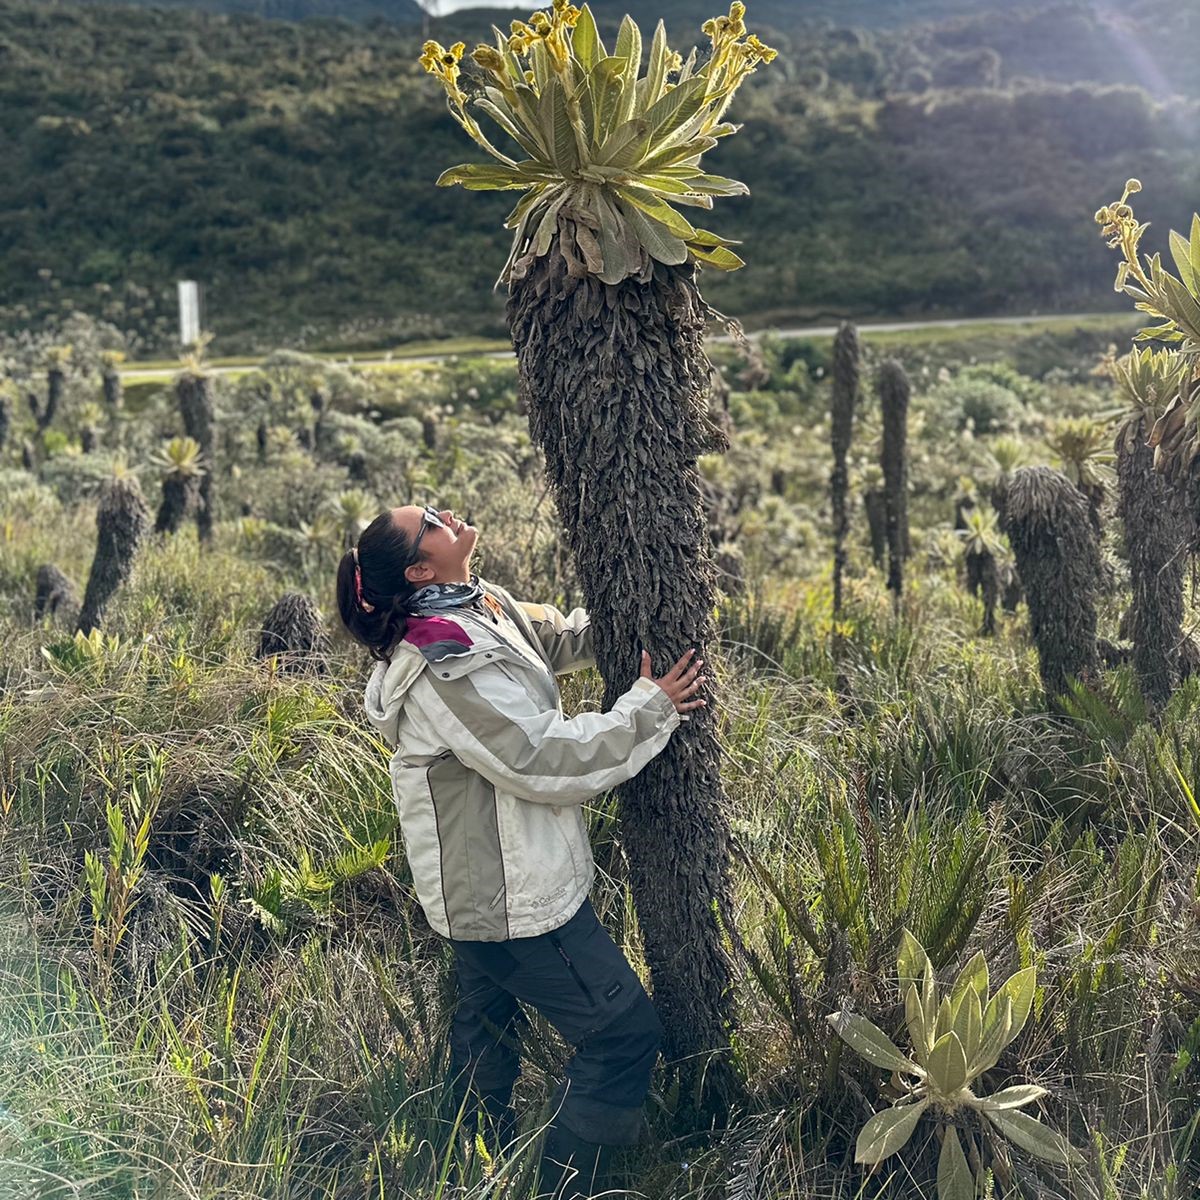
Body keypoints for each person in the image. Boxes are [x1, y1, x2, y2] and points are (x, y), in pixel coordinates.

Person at [336, 503, 708, 1200]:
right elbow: (537, 758)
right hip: (511, 902)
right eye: (431, 521)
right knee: (623, 1036)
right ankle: (574, 1189)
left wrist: (647, 610)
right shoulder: (442, 662)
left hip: (483, 894)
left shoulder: (482, 603)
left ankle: (461, 1175)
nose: (449, 513)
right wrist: (650, 708)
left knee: (486, 1049)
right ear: (420, 569)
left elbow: (557, 639)